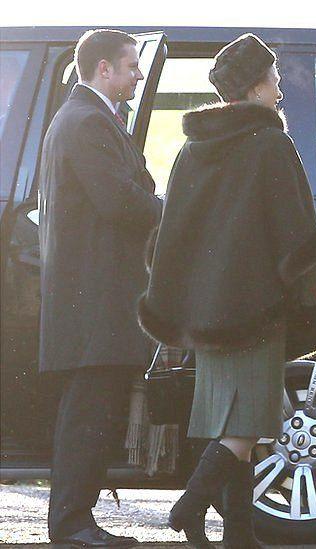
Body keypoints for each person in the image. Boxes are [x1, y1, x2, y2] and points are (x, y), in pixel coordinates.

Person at [138, 34, 316, 548]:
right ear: (251, 88)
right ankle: (188, 508)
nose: (279, 88)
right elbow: (297, 237)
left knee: (229, 422)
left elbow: (172, 231)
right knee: (245, 427)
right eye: (272, 77)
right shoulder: (270, 142)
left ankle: (238, 534)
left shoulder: (193, 145)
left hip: (208, 313)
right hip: (255, 310)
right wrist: (312, 304)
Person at [38, 28, 162, 548]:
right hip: (95, 303)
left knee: (94, 411)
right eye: (131, 66)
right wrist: (179, 214)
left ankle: (77, 520)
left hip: (97, 302)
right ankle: (71, 525)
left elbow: (137, 190)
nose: (138, 75)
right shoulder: (87, 122)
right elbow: (124, 201)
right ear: (103, 68)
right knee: (88, 415)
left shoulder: (93, 119)